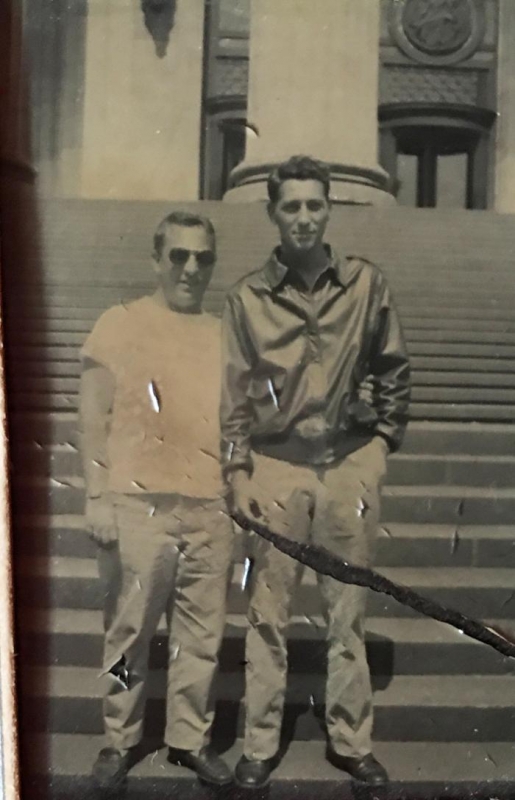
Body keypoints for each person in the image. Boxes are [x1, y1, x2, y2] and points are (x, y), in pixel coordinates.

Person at [220, 155, 411, 789]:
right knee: (267, 615)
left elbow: (392, 367)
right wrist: (238, 471)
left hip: (346, 468)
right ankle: (258, 745)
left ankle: (352, 741)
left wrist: (382, 441)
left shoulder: (365, 285)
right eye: (291, 207)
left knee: (346, 613)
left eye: (314, 205)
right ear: (273, 214)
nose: (304, 217)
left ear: (329, 209)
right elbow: (234, 393)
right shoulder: (247, 298)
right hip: (276, 468)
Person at [80, 211, 234, 791]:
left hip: (209, 508)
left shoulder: (223, 333)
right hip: (138, 506)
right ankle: (119, 737)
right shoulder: (118, 324)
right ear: (156, 260)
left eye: (202, 258)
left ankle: (190, 738)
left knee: (202, 635)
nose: (191, 268)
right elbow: (92, 419)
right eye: (179, 256)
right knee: (129, 634)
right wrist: (96, 495)